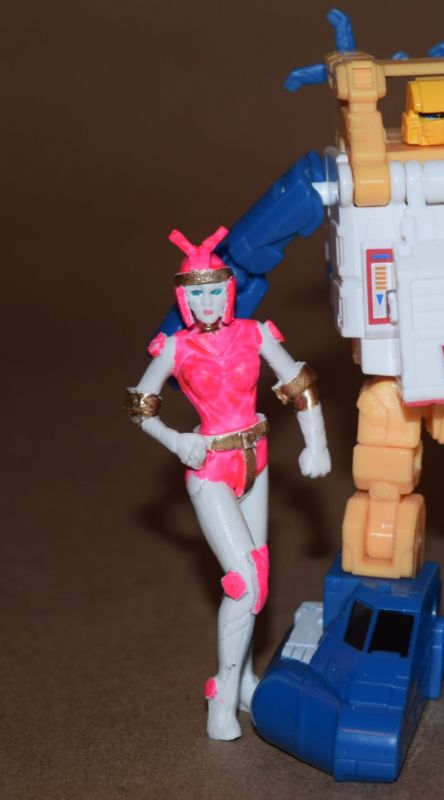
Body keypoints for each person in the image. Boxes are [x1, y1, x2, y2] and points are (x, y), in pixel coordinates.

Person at [124, 226, 331, 740]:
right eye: (197, 294)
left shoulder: (255, 334)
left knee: (259, 586)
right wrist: (175, 440)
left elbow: (300, 385)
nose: (208, 301)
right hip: (210, 468)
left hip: (255, 461)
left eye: (216, 290)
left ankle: (244, 682)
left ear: (230, 290)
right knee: (243, 582)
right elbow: (140, 406)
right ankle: (222, 689)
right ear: (183, 299)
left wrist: (317, 443)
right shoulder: (176, 348)